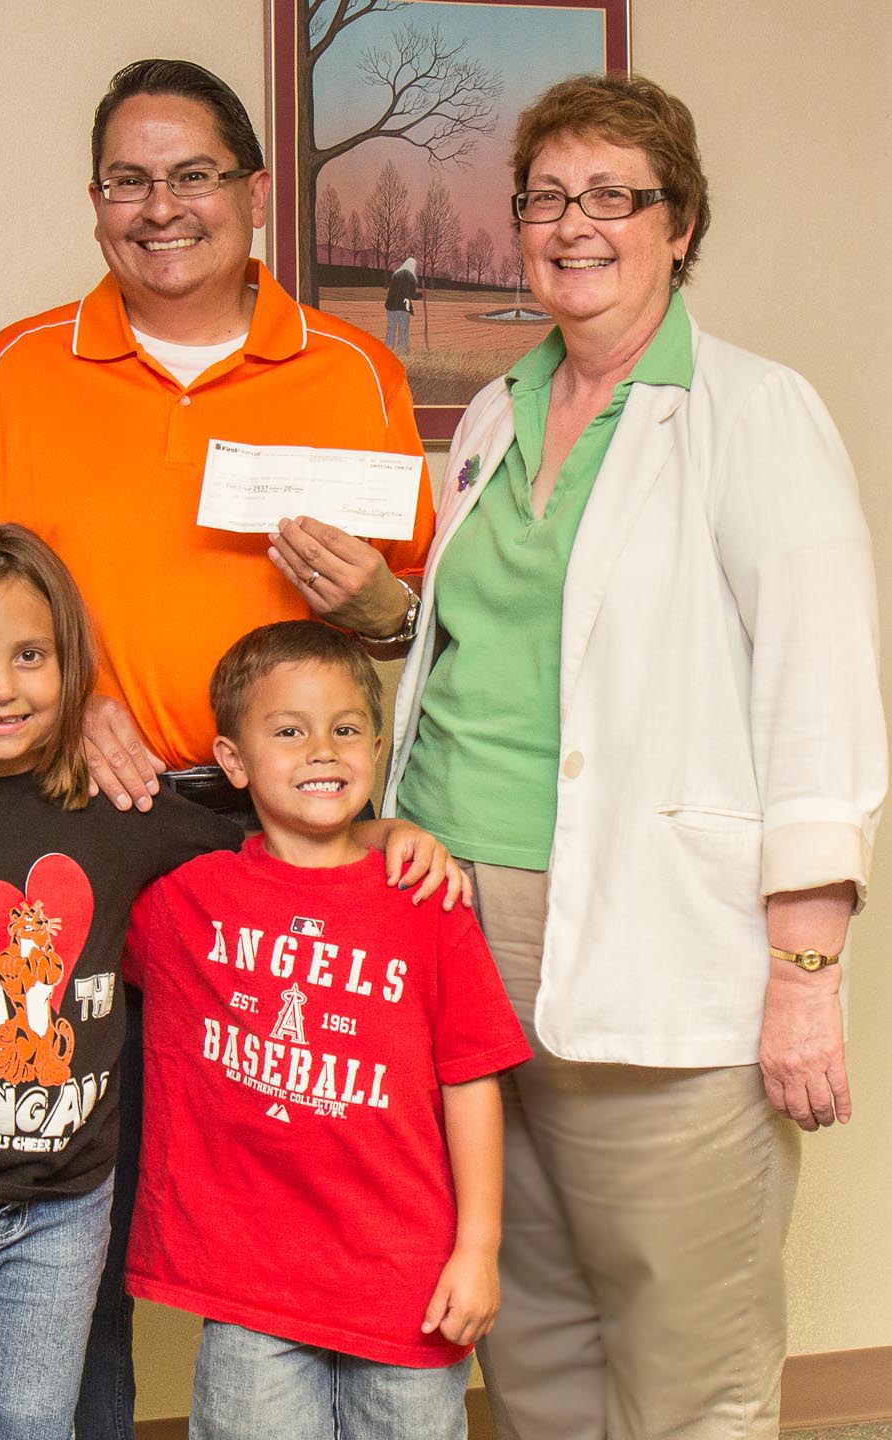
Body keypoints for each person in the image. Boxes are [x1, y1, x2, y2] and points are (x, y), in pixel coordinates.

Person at [384, 73, 885, 1440]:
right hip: (454, 922)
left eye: (613, 196)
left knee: (685, 1352)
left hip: (652, 933)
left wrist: (801, 975)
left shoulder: (751, 414)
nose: (572, 225)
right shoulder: (492, 415)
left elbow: (818, 701)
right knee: (529, 1326)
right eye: (544, 198)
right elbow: (483, 656)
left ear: (679, 226)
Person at [0, 59, 437, 1438]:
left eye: (191, 175)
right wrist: (64, 692)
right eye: (125, 180)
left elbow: (409, 622)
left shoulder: (349, 371)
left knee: (283, 1174)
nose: (158, 208)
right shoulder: (15, 365)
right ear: (95, 201)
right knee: (63, 1196)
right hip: (72, 822)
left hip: (271, 841)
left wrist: (372, 603)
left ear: (254, 192)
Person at [0, 527, 450, 1440]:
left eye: (30, 656)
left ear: (72, 665)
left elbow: (276, 849)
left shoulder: (120, 813)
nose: (1, 687)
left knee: (30, 1427)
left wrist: (379, 835)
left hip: (64, 1215)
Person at [123, 621, 530, 1440]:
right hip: (249, 1287)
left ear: (377, 750)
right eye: (287, 730)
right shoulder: (183, 901)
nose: (321, 749)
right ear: (232, 762)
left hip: (403, 1284)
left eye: (346, 729)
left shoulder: (425, 901)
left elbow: (471, 1079)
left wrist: (478, 1249)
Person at [384, 256, 418, 353]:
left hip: (390, 305)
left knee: (391, 327)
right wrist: (422, 294)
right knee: (403, 328)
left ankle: (388, 348)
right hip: (403, 306)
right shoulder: (411, 277)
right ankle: (402, 349)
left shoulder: (395, 275)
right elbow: (413, 295)